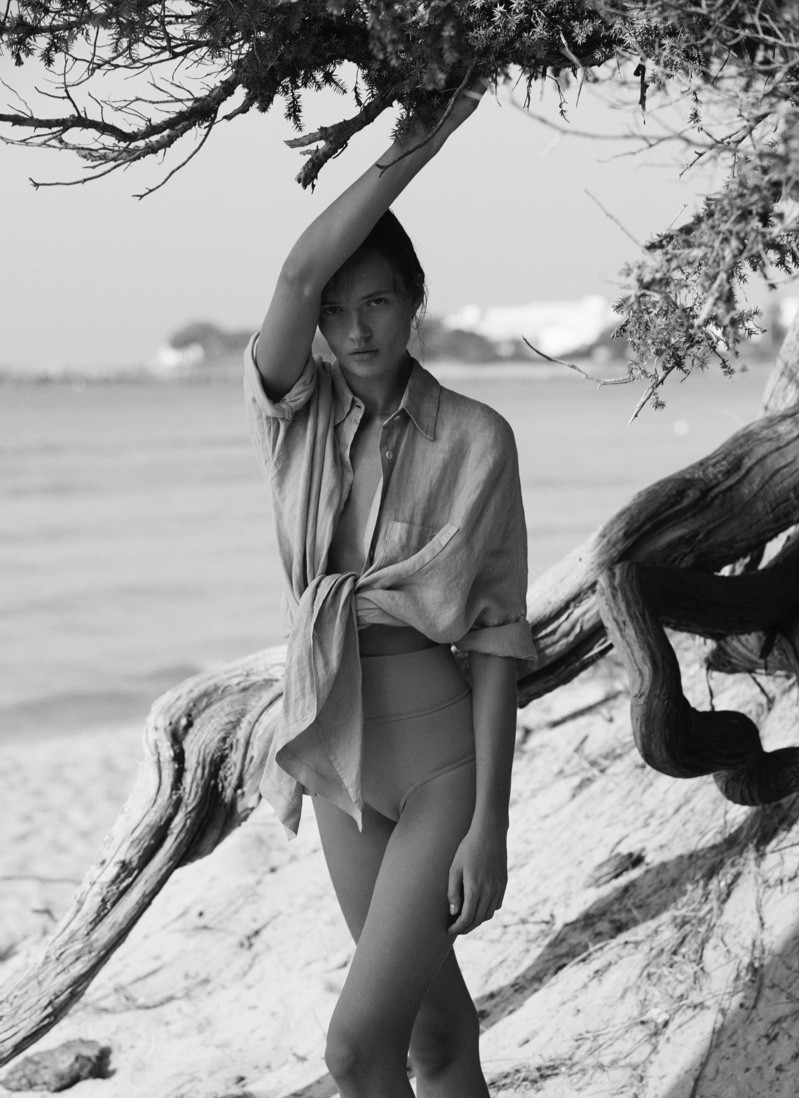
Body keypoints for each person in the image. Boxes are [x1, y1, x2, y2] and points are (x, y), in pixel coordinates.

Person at [244, 80, 535, 1098]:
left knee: (353, 1052)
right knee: (433, 1038)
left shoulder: (478, 440)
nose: (354, 327)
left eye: (376, 301)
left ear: (414, 300)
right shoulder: (290, 420)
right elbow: (296, 269)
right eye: (336, 309)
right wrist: (425, 136)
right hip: (336, 751)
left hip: (437, 762)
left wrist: (490, 823)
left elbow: (495, 641)